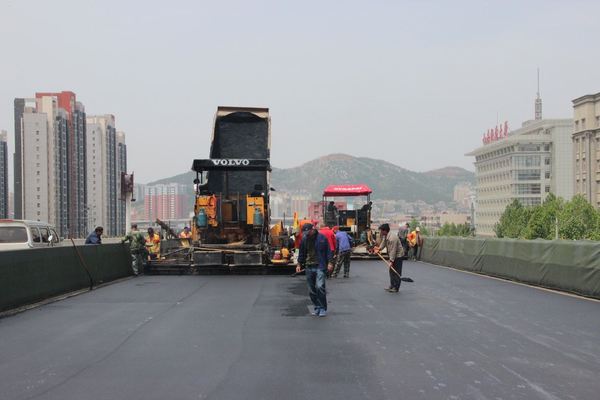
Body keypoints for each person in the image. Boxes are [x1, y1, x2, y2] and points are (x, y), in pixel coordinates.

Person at [296, 223, 334, 317]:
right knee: (311, 290)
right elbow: (301, 253)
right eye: (305, 233)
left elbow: (328, 251)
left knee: (320, 286)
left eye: (308, 232)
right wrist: (299, 264)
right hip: (309, 266)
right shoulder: (304, 239)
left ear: (313, 229)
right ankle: (317, 307)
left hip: (320, 266)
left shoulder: (322, 238)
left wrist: (330, 262)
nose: (307, 234)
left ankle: (322, 308)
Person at [375, 223, 405, 293]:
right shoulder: (386, 236)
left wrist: (391, 261)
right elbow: (383, 243)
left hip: (398, 256)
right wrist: (379, 249)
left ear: (385, 231)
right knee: (391, 271)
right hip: (393, 255)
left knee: (396, 272)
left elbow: (393, 251)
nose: (380, 232)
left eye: (381, 231)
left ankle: (396, 287)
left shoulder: (392, 238)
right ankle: (392, 285)